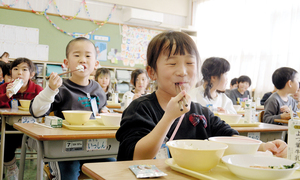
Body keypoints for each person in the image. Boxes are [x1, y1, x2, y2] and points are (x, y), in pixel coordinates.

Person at [116, 31, 287, 162]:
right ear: (152, 72)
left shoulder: (200, 112)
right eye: (172, 63)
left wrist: (263, 146)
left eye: (190, 63)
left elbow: (228, 136)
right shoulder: (140, 108)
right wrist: (168, 117)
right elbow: (137, 155)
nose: (183, 71)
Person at [30, 37, 114, 180]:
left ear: (96, 64)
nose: (82, 60)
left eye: (88, 56)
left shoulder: (97, 88)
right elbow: (36, 112)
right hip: (64, 149)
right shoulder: (60, 88)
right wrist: (50, 90)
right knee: (67, 174)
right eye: (77, 55)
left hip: (94, 147)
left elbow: (101, 109)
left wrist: (105, 112)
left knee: (112, 168)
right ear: (66, 63)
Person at [0, 57, 43, 180]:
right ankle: (11, 168)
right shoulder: (4, 88)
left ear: (31, 74)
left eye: (24, 70)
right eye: (16, 69)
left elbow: (45, 107)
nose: (19, 72)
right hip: (11, 127)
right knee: (4, 145)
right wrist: (6, 96)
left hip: (33, 127)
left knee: (45, 143)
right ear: (11, 72)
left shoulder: (37, 89)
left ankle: (46, 167)